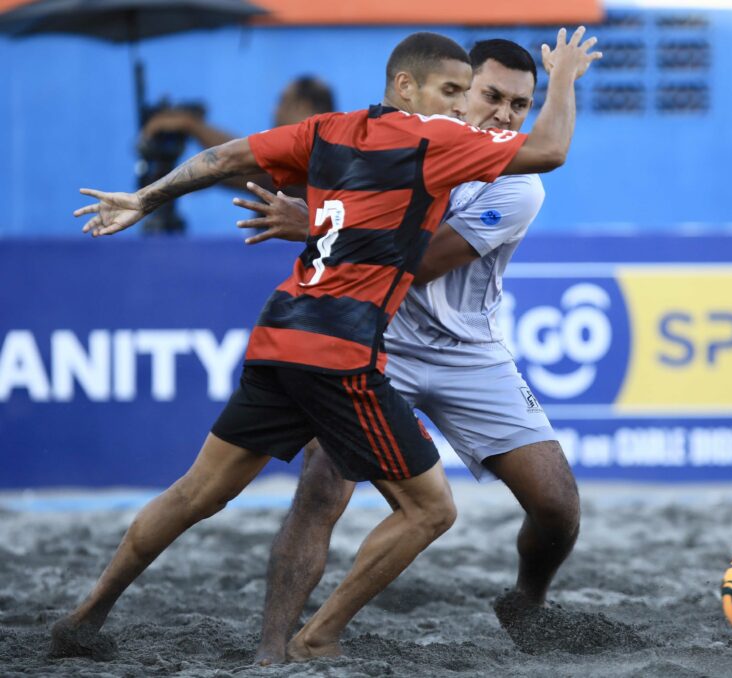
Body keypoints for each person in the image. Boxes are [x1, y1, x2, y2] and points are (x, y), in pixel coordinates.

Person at [55, 28, 601, 662]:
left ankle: (84, 619)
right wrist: (563, 75)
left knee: (195, 492)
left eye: (519, 104)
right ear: (410, 85)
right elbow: (551, 148)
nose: (486, 110)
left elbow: (230, 158)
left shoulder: (336, 131)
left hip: (321, 334)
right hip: (356, 348)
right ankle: (307, 639)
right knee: (418, 509)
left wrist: (148, 198)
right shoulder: (439, 139)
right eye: (467, 92)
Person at [231, 39, 582, 663]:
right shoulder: (392, 142)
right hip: (374, 338)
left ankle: (527, 601)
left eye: (519, 106)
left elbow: (415, 261)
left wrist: (312, 222)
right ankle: (272, 649)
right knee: (320, 489)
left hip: (467, 352)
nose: (503, 115)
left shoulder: (520, 185)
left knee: (557, 506)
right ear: (454, 90)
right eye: (490, 96)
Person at [142, 75, 336, 195]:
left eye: (282, 101)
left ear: (303, 107)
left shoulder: (322, 160)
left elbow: (248, 168)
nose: (274, 110)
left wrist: (191, 125)